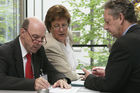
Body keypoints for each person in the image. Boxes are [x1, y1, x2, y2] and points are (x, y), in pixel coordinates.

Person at [83, 0, 140, 93]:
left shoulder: (123, 43)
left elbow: (109, 85)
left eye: (107, 22)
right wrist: (111, 74)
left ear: (121, 18)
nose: (105, 27)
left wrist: (89, 78)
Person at [0, 17, 71, 90]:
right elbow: (1, 80)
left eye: (42, 38)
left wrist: (60, 79)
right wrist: (32, 83)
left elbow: (51, 71)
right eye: (35, 37)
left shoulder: (39, 50)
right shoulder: (5, 51)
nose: (39, 43)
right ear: (22, 33)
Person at [43, 5, 82, 81]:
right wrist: (84, 77)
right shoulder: (50, 46)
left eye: (64, 25)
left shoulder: (68, 36)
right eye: (56, 26)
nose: (61, 29)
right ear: (50, 28)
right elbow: (68, 75)